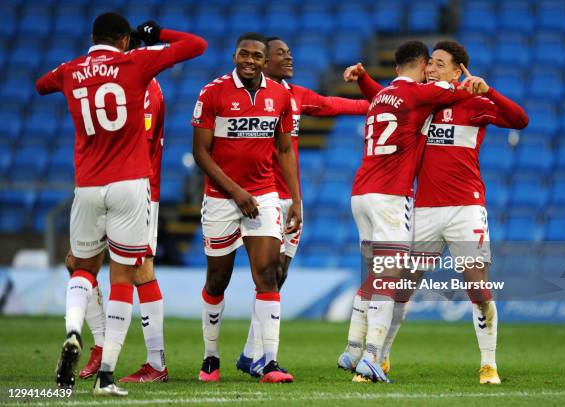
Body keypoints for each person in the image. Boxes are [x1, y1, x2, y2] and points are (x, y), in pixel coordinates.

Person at [35, 13, 206, 395]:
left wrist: (77, 71)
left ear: (92, 37)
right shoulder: (137, 68)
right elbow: (196, 45)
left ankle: (118, 348)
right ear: (126, 41)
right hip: (132, 184)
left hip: (96, 184)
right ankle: (105, 364)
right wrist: (159, 35)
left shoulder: (73, 69)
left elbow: (41, 83)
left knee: (98, 268)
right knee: (126, 275)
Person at [340, 40, 528, 384]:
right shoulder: (423, 99)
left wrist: (489, 89)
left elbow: (519, 120)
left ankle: (488, 363)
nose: (431, 69)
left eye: (440, 64)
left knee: (478, 290)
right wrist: (365, 79)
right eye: (430, 63)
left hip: (465, 209)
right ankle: (379, 358)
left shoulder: (471, 102)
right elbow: (386, 98)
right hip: (424, 210)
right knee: (401, 288)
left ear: (458, 71)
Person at [235, 36, 370, 377]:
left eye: (290, 52)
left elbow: (334, 104)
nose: (289, 58)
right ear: (264, 61)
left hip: (291, 199)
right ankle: (256, 356)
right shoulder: (252, 98)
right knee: (266, 275)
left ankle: (250, 352)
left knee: (278, 276)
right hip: (262, 197)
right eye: (281, 54)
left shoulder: (296, 96)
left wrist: (381, 104)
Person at [191, 32, 301, 384]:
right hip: (222, 198)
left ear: (263, 59)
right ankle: (211, 358)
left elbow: (284, 151)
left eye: (256, 56)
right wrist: (236, 192)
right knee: (217, 280)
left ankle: (269, 363)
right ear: (234, 55)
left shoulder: (280, 95)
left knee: (268, 273)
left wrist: (295, 199)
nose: (250, 60)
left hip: (265, 194)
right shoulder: (213, 93)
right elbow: (201, 153)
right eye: (244, 54)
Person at [71, 33, 169, 384]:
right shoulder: (120, 81)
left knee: (139, 271)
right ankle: (100, 345)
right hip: (107, 186)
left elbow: (136, 143)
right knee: (77, 263)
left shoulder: (144, 88)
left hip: (137, 191)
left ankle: (155, 363)